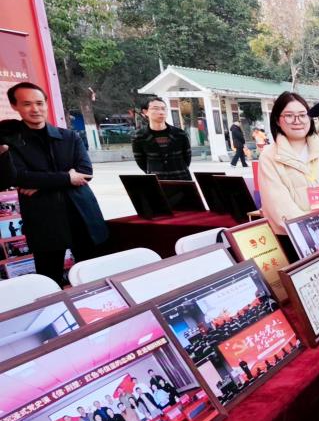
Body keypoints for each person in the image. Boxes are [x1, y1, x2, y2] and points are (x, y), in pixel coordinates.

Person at [4, 82, 108, 285]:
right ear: (15, 106)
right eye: (27, 104)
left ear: (46, 104)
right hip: (43, 218)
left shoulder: (69, 137)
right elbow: (18, 177)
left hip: (82, 214)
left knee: (93, 275)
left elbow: (86, 172)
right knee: (48, 278)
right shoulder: (12, 142)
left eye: (39, 103)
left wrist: (41, 182)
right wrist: (68, 177)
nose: (35, 109)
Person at [258, 92, 319, 236]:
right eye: (289, 115)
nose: (297, 121)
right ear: (277, 120)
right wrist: (312, 229)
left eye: (302, 115)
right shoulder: (269, 157)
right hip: (293, 238)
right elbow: (279, 207)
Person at [131, 98, 192, 180]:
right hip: (157, 180)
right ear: (145, 112)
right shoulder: (139, 137)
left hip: (181, 178)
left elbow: (187, 158)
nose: (161, 112)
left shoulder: (180, 134)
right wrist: (154, 172)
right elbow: (141, 161)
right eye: (156, 109)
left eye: (163, 109)